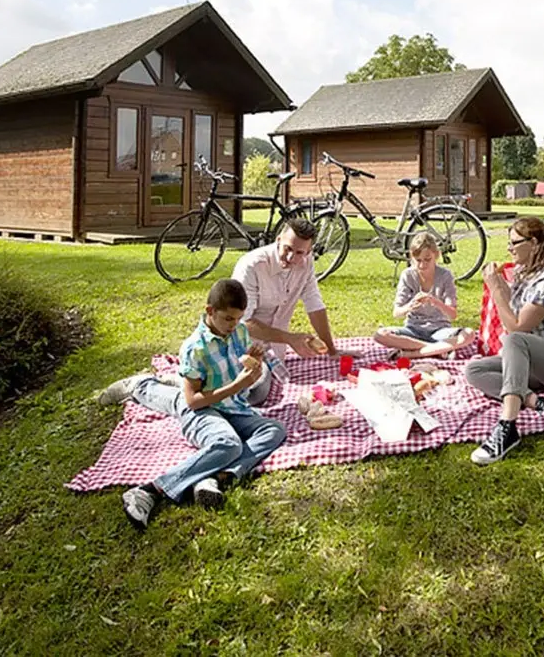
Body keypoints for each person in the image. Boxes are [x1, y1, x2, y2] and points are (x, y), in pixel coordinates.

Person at [98, 278, 287, 529]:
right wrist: (236, 385)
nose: (234, 325)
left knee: (274, 430)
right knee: (228, 443)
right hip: (202, 410)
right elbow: (193, 401)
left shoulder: (239, 332)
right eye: (228, 319)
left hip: (233, 407)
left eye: (238, 318)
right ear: (210, 311)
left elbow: (240, 368)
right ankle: (149, 491)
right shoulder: (194, 348)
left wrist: (254, 363)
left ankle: (215, 477)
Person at [465, 217, 544, 466]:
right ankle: (540, 402)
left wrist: (496, 289)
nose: (509, 248)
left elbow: (517, 327)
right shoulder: (525, 272)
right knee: (474, 370)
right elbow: (515, 309)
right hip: (537, 362)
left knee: (515, 340)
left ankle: (507, 426)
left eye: (514, 243)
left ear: (533, 243)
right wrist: (500, 284)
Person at [232, 216, 359, 364]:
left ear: (309, 251)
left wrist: (332, 350)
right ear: (278, 240)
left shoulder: (306, 262)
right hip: (241, 351)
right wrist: (289, 338)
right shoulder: (251, 266)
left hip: (277, 354)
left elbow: (314, 304)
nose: (291, 257)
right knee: (261, 378)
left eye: (299, 252)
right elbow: (241, 321)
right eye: (287, 248)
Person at [373, 232, 475, 360]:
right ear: (412, 257)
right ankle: (437, 350)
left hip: (440, 330)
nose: (422, 265)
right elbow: (397, 313)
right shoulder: (408, 275)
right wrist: (410, 306)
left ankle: (414, 353)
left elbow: (452, 315)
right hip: (413, 330)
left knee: (469, 334)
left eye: (427, 260)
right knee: (380, 335)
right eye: (418, 260)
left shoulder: (445, 276)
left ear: (436, 255)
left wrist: (435, 302)